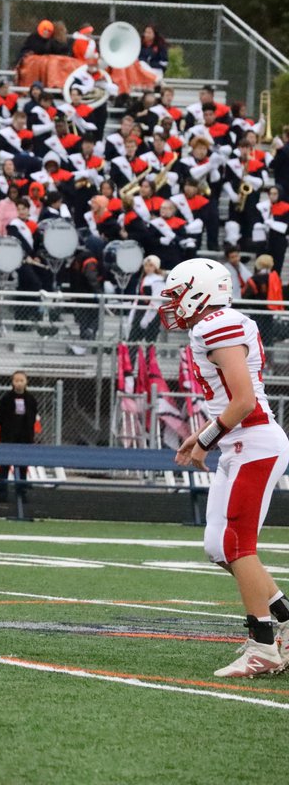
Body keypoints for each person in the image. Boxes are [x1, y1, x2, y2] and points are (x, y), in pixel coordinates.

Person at [161, 258, 289, 677]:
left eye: (178, 294)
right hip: (240, 443)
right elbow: (231, 401)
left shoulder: (214, 325)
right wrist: (203, 434)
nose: (173, 304)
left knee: (238, 544)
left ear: (199, 291)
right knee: (220, 546)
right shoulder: (220, 322)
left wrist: (206, 439)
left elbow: (244, 402)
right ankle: (284, 620)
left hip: (251, 443)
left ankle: (264, 646)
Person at [0, 371, 40, 503]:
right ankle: (2, 492)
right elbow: (1, 417)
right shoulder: (6, 398)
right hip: (8, 436)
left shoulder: (31, 399)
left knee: (22, 465)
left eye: (21, 380)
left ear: (26, 382)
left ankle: (21, 491)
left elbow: (33, 416)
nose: (19, 383)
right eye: (16, 380)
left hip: (25, 436)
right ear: (13, 382)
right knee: (5, 465)